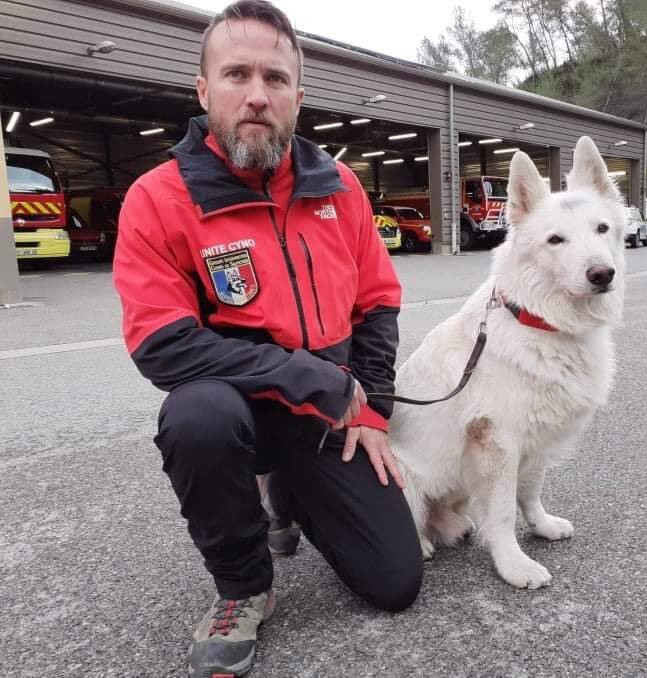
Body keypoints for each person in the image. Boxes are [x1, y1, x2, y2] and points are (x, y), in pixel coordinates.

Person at [112, 1, 422, 675]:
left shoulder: (339, 187)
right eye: (236, 74)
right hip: (247, 405)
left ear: (298, 97)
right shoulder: (157, 199)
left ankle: (291, 491)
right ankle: (242, 585)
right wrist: (317, 379)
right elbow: (161, 343)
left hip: (326, 413)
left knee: (395, 583)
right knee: (196, 416)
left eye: (275, 79)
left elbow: (378, 303)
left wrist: (371, 408)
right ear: (203, 91)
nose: (256, 95)